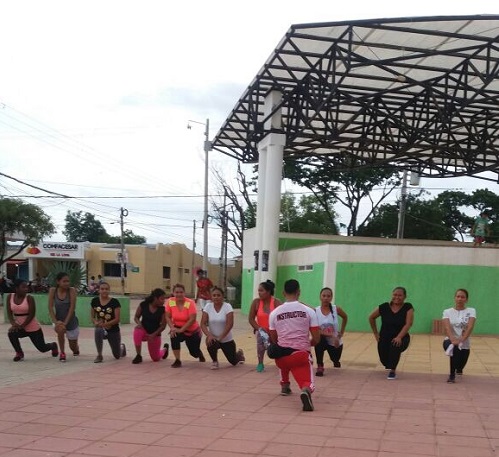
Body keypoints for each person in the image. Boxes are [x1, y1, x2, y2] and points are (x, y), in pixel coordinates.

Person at [268, 279, 320, 412]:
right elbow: (317, 338)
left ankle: (285, 385)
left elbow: (274, 338)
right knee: (307, 382)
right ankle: (306, 391)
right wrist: (309, 344)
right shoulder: (308, 311)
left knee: (282, 350)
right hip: (300, 356)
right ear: (299, 292)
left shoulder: (274, 313)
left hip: (281, 359)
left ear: (283, 292)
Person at [6, 279, 58, 361]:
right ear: (16, 288)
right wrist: (13, 324)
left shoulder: (29, 298)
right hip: (19, 326)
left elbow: (31, 314)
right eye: (23, 287)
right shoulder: (10, 297)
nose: (26, 289)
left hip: (32, 327)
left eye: (26, 287)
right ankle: (19, 353)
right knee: (11, 333)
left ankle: (53, 345)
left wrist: (22, 326)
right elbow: (9, 312)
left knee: (42, 348)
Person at [368, 286, 414, 380]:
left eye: (400, 295)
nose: (397, 297)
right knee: (384, 360)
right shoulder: (384, 307)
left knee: (395, 345)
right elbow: (371, 317)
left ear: (405, 297)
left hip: (402, 337)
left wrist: (399, 337)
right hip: (384, 337)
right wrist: (376, 334)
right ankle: (390, 365)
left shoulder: (408, 307)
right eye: (395, 294)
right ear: (392, 295)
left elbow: (408, 324)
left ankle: (393, 371)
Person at [201, 286, 245, 369]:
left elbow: (230, 324)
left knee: (233, 361)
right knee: (210, 342)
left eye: (218, 295)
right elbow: (203, 324)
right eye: (214, 295)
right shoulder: (208, 306)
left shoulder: (227, 306)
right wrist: (209, 335)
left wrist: (220, 338)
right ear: (211, 296)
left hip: (226, 339)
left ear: (222, 296)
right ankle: (214, 361)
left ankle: (239, 354)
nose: (216, 297)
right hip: (213, 337)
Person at [165, 283, 206, 367]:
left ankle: (199, 354)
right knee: (174, 336)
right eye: (177, 292)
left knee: (193, 353)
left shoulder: (189, 303)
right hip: (177, 327)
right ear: (173, 293)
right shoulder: (170, 301)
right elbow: (167, 317)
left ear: (184, 293)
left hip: (192, 330)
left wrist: (181, 330)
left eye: (181, 292)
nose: (179, 294)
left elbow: (192, 319)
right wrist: (172, 328)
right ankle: (177, 360)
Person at [442, 288, 476, 383]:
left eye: (462, 297)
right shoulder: (447, 312)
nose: (460, 299)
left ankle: (458, 369)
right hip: (450, 340)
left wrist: (461, 340)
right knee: (454, 349)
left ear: (466, 299)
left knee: (460, 365)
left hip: (464, 342)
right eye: (458, 296)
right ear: (455, 298)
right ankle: (452, 376)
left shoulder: (471, 311)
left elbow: (470, 327)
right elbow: (447, 327)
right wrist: (453, 340)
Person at [248, 280, 282, 372]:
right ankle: (260, 363)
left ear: (268, 291)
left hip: (275, 330)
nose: (259, 293)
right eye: (258, 290)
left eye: (261, 290)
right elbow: (251, 319)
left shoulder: (276, 302)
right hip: (262, 330)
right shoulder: (256, 302)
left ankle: (280, 361)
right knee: (260, 338)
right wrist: (259, 328)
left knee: (276, 346)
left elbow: (282, 318)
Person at [314, 287, 348, 376]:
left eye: (328, 296)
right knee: (318, 340)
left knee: (335, 359)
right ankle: (320, 365)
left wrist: (342, 332)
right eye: (324, 296)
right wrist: (331, 334)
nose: (326, 298)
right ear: (320, 297)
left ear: (331, 297)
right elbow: (316, 330)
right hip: (323, 340)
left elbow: (345, 317)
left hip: (335, 343)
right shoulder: (316, 311)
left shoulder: (336, 309)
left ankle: (336, 362)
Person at [90, 282, 126, 363]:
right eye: (102, 289)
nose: (104, 291)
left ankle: (122, 348)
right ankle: (99, 355)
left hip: (113, 329)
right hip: (101, 328)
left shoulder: (114, 302)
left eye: (106, 289)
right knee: (98, 330)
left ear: (109, 290)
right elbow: (92, 316)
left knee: (117, 355)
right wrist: (95, 322)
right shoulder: (94, 301)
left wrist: (105, 324)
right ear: (98, 290)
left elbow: (117, 319)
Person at [48, 272, 80, 362]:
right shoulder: (53, 291)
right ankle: (62, 352)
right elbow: (50, 307)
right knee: (60, 330)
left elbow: (72, 307)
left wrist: (65, 323)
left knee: (73, 347)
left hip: (71, 321)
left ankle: (76, 348)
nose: (67, 283)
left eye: (68, 281)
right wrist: (56, 322)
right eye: (64, 281)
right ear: (58, 282)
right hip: (58, 320)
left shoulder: (71, 290)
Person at [132, 288, 168, 364]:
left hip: (155, 334)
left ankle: (164, 350)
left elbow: (163, 326)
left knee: (155, 358)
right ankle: (138, 355)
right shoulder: (143, 305)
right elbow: (136, 317)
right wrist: (139, 323)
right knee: (137, 330)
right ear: (155, 298)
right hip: (144, 330)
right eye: (162, 299)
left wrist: (153, 335)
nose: (164, 301)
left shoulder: (162, 310)